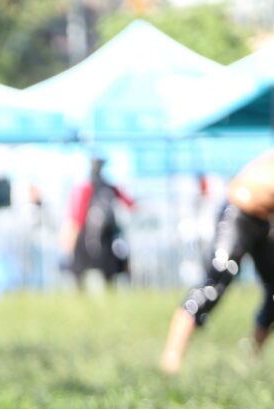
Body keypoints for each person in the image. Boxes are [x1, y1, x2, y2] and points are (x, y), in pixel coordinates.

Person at [160, 150, 274, 374]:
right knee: (215, 282)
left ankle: (251, 359)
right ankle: (171, 358)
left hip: (265, 221)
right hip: (238, 213)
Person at [60, 156, 135, 289]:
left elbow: (78, 213)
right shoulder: (109, 186)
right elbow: (130, 203)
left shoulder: (88, 187)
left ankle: (83, 289)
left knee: (81, 267)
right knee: (109, 265)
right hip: (105, 234)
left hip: (89, 233)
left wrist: (73, 230)